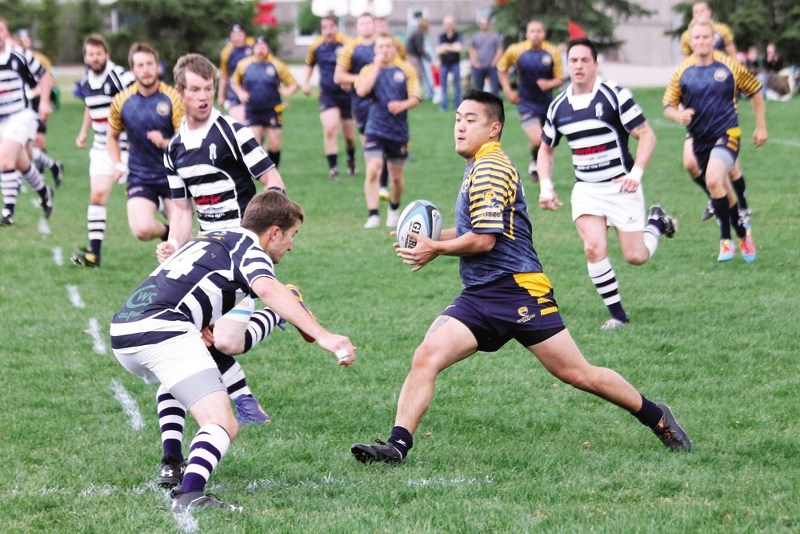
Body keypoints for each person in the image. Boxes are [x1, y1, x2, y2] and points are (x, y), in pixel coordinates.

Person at [350, 89, 691, 465]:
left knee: (579, 374)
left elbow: (482, 240)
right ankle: (397, 446)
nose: (459, 127)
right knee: (426, 355)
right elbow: (472, 229)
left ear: (494, 128)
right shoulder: (477, 165)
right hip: (480, 293)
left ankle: (657, 416)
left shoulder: (492, 169)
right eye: (458, 119)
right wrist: (431, 239)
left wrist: (435, 248)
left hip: (519, 291)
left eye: (470, 120)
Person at [111, 191, 356, 512]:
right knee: (223, 423)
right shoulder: (251, 249)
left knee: (177, 379)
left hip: (123, 330)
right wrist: (325, 336)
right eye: (292, 235)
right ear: (275, 232)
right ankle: (190, 495)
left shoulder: (212, 237)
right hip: (162, 330)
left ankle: (172, 462)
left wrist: (199, 322)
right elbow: (267, 287)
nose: (292, 245)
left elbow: (180, 281)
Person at [537, 38, 676, 330]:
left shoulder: (614, 96)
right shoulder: (558, 106)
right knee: (593, 247)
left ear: (595, 65)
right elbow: (546, 148)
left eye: (584, 60)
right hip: (587, 190)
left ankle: (657, 222)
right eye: (573, 60)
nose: (578, 66)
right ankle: (618, 316)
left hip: (621, 188)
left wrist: (635, 175)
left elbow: (647, 136)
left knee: (635, 257)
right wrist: (546, 186)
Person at [663, 20, 766, 263]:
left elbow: (755, 91)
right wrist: (679, 115)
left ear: (713, 40)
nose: (700, 41)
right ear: (690, 41)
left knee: (712, 179)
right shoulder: (683, 71)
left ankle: (725, 240)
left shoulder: (729, 66)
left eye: (705, 37)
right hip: (700, 138)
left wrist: (761, 126)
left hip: (727, 134)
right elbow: (668, 104)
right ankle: (742, 233)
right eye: (695, 38)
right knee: (719, 188)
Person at [678, 1, 750, 224]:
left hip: (721, 109)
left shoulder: (723, 35)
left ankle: (742, 207)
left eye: (703, 11)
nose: (699, 14)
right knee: (691, 163)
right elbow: (682, 69)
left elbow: (733, 57)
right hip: (697, 111)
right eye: (695, 12)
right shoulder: (686, 38)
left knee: (731, 168)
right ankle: (716, 198)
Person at [106, 42, 182, 246]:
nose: (145, 70)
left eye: (150, 64)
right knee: (142, 230)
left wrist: (166, 142)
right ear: (133, 70)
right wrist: (118, 163)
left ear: (158, 67)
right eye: (140, 65)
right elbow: (111, 136)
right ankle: (166, 231)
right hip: (140, 176)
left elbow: (185, 141)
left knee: (181, 241)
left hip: (172, 176)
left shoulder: (173, 97)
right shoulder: (122, 100)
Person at [71, 34, 136, 268]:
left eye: (99, 54)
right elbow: (90, 108)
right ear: (85, 56)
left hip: (128, 146)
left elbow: (137, 104)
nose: (95, 58)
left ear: (106, 55)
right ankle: (93, 254)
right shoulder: (86, 81)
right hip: (100, 147)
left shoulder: (121, 77)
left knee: (142, 198)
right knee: (97, 196)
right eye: (90, 54)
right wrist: (83, 133)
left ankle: (171, 233)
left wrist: (134, 139)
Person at [355, 32, 421, 229]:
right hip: (374, 127)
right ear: (376, 50)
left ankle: (393, 209)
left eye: (387, 46)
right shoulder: (368, 70)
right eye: (380, 47)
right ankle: (373, 214)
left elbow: (416, 97)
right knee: (373, 168)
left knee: (397, 177)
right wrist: (376, 66)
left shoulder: (406, 69)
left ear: (394, 49)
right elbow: (361, 91)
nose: (384, 50)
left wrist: (402, 105)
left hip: (398, 130)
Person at [0, 17, 53, 227]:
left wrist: (45, 102)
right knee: (22, 163)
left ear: (6, 32)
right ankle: (44, 192)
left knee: (4, 160)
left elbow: (45, 75)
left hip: (21, 115)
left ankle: (8, 211)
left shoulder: (18, 55)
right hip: (2, 121)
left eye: (1, 29)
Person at [497, 20, 565, 182]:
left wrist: (549, 83)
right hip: (526, 103)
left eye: (539, 31)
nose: (536, 34)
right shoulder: (516, 50)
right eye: (532, 31)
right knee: (537, 139)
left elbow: (560, 78)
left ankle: (536, 163)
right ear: (527, 34)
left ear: (544, 33)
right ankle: (542, 172)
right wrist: (508, 90)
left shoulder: (552, 51)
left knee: (545, 142)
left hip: (547, 104)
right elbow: (501, 68)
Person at [230, 36, 298, 168]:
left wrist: (287, 91)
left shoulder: (277, 65)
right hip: (253, 110)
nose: (261, 50)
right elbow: (234, 82)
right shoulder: (244, 64)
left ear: (268, 48)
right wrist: (240, 93)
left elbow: (293, 84)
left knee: (274, 145)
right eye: (258, 47)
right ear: (253, 49)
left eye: (263, 47)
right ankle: (260, 172)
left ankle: (274, 172)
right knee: (255, 144)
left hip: (273, 110)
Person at [302, 16, 356, 179]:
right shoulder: (316, 46)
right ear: (321, 30)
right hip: (327, 94)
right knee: (331, 129)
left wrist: (351, 81)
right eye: (324, 28)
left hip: (347, 95)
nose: (328, 31)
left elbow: (357, 64)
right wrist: (305, 83)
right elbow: (309, 64)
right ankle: (333, 169)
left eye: (331, 27)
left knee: (349, 135)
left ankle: (351, 158)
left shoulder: (348, 43)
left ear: (336, 28)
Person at [13, 28, 64, 187]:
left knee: (37, 142)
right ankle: (51, 168)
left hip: (34, 104)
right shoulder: (9, 60)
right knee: (24, 146)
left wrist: (42, 99)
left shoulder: (39, 59)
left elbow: (49, 80)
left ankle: (39, 178)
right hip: (18, 107)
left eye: (26, 39)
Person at [218, 23, 254, 124]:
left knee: (255, 125)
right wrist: (221, 96)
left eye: (239, 35)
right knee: (239, 123)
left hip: (253, 90)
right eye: (233, 35)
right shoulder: (227, 51)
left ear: (245, 34)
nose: (236, 38)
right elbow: (224, 76)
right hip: (234, 91)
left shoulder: (254, 45)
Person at [468, 16, 503, 95]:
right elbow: (471, 50)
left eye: (485, 24)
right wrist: (474, 62)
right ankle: (480, 105)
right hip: (478, 67)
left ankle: (495, 104)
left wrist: (494, 62)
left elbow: (499, 50)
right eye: (482, 24)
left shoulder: (495, 37)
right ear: (480, 25)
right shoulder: (475, 37)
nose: (484, 25)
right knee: (478, 89)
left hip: (492, 66)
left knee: (495, 88)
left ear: (488, 24)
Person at [436, 15, 463, 112]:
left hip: (455, 64)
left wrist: (445, 46)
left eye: (450, 23)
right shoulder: (441, 36)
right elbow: (438, 50)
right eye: (446, 24)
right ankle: (444, 106)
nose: (448, 26)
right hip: (444, 64)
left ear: (453, 24)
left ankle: (458, 106)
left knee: (457, 86)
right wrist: (452, 47)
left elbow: (458, 48)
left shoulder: (458, 35)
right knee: (443, 87)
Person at [405, 18, 433, 100]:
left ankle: (419, 94)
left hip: (414, 57)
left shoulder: (417, 33)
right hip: (413, 58)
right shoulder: (418, 34)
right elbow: (420, 50)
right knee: (416, 76)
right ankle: (414, 96)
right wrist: (429, 58)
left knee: (418, 76)